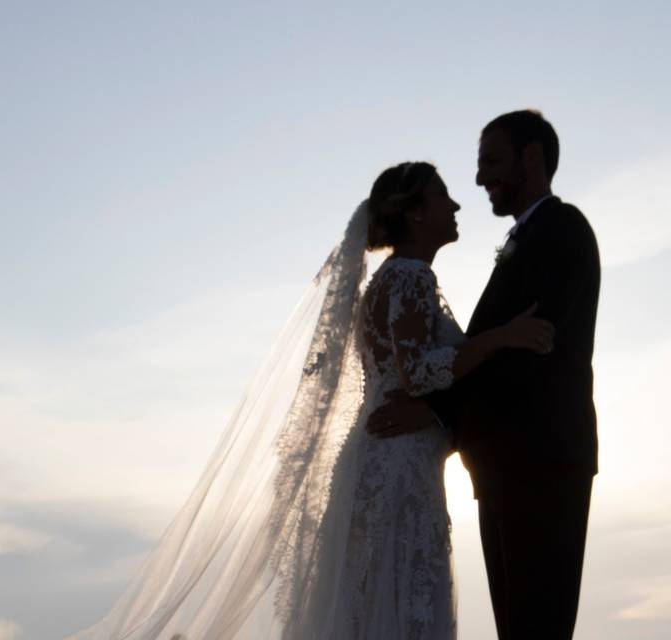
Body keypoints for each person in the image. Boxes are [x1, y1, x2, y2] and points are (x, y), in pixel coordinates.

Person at [67, 162, 553, 640]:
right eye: (441, 194)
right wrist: (499, 338)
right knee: (402, 602)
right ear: (415, 214)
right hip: (398, 467)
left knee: (374, 606)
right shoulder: (408, 278)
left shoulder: (389, 281)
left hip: (389, 458)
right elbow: (420, 372)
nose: (456, 203)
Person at [368, 111, 601, 640]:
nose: (477, 181)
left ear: (533, 158)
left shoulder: (561, 232)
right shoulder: (518, 241)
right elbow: (489, 350)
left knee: (537, 624)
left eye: (491, 162)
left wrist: (433, 411)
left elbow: (530, 352)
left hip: (541, 460)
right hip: (504, 465)